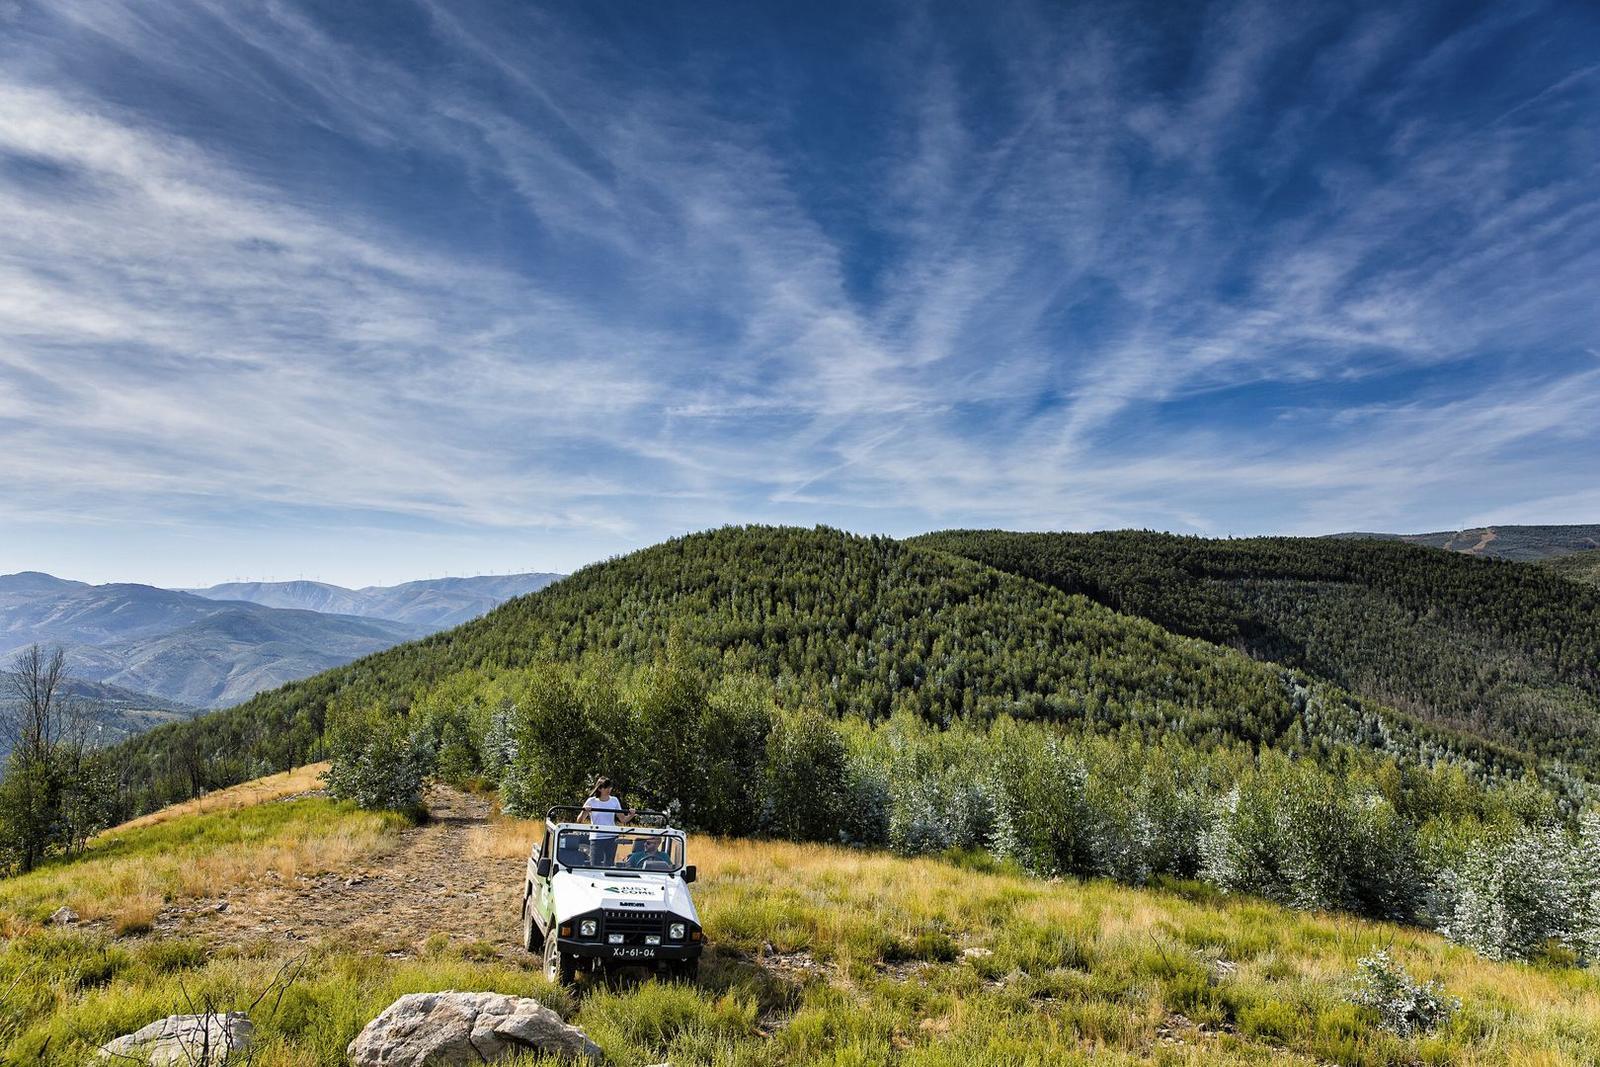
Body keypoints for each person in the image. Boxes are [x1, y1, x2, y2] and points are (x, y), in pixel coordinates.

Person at [578, 776, 634, 866]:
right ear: (599, 788)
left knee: (609, 864)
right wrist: (585, 811)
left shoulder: (614, 800)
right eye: (606, 787)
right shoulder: (591, 801)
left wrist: (631, 815)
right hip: (596, 838)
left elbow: (623, 819)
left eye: (610, 787)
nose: (609, 789)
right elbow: (580, 820)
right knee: (595, 864)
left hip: (611, 838)